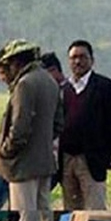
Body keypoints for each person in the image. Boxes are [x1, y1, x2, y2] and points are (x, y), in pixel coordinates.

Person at [0, 40, 63, 221]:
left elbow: (20, 126)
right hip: (44, 156)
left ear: (17, 62)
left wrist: (6, 150)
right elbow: (59, 123)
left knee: (26, 211)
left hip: (23, 159)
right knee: (43, 205)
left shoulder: (25, 84)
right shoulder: (49, 81)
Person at [60, 39, 111, 210]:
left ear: (92, 60)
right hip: (66, 158)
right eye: (73, 58)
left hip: (91, 160)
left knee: (95, 210)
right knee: (71, 211)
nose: (78, 61)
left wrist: (104, 153)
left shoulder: (105, 87)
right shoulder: (63, 89)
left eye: (82, 57)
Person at [40, 52, 67, 190]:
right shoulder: (45, 93)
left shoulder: (70, 91)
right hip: (50, 157)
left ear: (54, 70)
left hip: (68, 154)